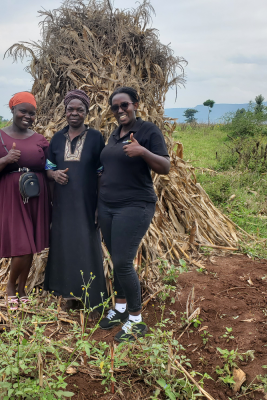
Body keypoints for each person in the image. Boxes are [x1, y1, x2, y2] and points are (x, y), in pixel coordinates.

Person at [98, 86, 171, 342]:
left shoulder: (147, 131)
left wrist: (143, 152)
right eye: (115, 107)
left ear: (136, 105)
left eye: (125, 105)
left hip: (135, 205)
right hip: (107, 206)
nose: (120, 110)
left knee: (123, 262)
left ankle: (136, 320)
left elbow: (165, 166)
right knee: (116, 258)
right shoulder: (115, 135)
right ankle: (119, 309)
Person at [0, 92, 50, 310]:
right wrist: (6, 159)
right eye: (23, 111)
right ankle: (11, 287)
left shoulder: (39, 139)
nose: (28, 116)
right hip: (10, 196)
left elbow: (48, 165)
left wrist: (54, 174)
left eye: (32, 113)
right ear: (12, 110)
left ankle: (22, 289)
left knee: (29, 247)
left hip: (36, 196)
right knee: (23, 245)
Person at [44, 89, 107, 316]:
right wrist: (53, 175)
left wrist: (100, 205)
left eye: (80, 110)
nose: (74, 113)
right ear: (65, 111)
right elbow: (48, 166)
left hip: (87, 204)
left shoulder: (95, 138)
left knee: (87, 248)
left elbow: (102, 172)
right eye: (70, 109)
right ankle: (69, 296)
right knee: (64, 247)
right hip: (62, 205)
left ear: (86, 113)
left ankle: (94, 301)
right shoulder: (57, 139)